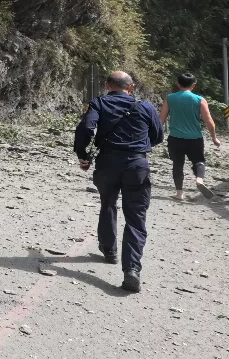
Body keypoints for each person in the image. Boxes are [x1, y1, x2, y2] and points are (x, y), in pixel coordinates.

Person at [74, 71, 163, 293]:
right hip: (137, 164)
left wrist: (82, 153)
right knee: (136, 217)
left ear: (107, 85)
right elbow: (159, 136)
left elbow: (86, 128)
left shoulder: (99, 103)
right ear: (131, 88)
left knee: (107, 203)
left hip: (108, 162)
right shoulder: (146, 107)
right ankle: (132, 269)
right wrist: (140, 145)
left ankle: (109, 250)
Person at [158, 72, 221, 201]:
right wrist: (214, 137)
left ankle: (179, 193)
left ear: (178, 84)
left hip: (175, 138)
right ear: (193, 85)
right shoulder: (199, 100)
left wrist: (156, 135)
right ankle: (199, 179)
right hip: (195, 138)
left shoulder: (169, 98)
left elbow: (161, 119)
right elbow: (209, 121)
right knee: (199, 161)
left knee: (178, 164)